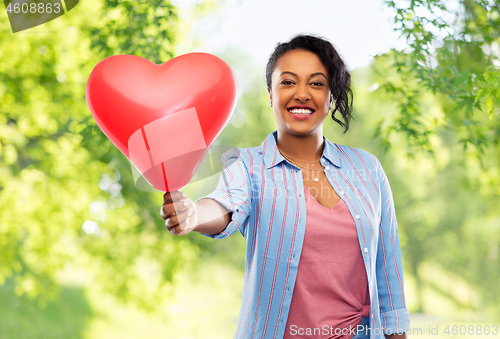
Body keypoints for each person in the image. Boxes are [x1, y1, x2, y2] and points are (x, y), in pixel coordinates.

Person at [161, 34, 410, 339]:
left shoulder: (367, 169)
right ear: (270, 93)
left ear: (331, 96)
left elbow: (389, 278)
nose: (302, 94)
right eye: (288, 82)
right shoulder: (248, 166)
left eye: (316, 83)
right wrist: (193, 215)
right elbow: (225, 205)